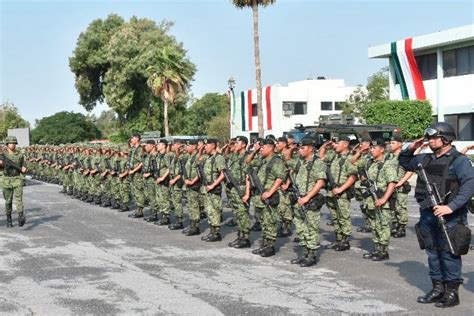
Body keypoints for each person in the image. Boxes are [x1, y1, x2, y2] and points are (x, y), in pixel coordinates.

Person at [399, 122, 474, 308]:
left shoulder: (459, 160)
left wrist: (451, 207)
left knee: (449, 253)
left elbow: (469, 185)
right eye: (429, 138)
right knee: (432, 252)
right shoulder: (425, 159)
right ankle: (437, 288)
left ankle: (451, 293)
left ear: (446, 138)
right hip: (428, 213)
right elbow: (405, 162)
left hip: (450, 215)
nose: (430, 141)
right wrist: (410, 148)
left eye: (434, 137)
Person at [290, 137, 326, 267]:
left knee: (311, 228)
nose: (300, 150)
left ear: (310, 148)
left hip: (309, 200)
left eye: (302, 147)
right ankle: (304, 253)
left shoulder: (317, 163)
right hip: (298, 199)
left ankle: (311, 255)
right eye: (299, 147)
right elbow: (287, 159)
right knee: (301, 228)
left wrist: (307, 197)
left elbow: (320, 182)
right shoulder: (300, 162)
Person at [0, 136, 28, 227]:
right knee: (8, 201)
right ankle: (9, 218)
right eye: (11, 143)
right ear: (7, 144)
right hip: (6, 180)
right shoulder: (2, 155)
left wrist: (24, 169)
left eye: (14, 143)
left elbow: (24, 166)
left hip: (17, 178)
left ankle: (20, 216)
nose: (13, 145)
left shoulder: (20, 155)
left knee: (19, 199)